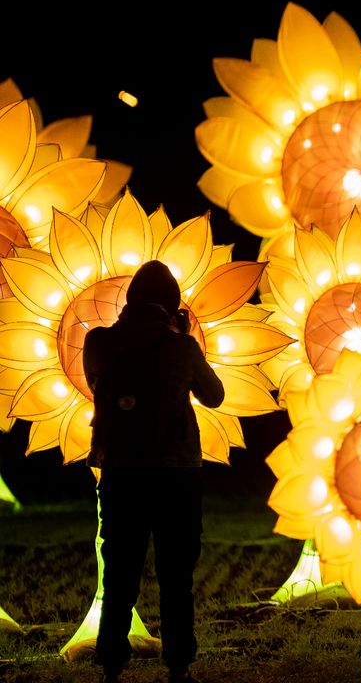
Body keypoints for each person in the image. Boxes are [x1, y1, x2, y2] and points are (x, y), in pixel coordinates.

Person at [85, 260, 225, 683]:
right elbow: (215, 396)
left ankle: (111, 663)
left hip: (121, 470)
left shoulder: (99, 342)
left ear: (130, 300)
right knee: (176, 574)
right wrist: (182, 343)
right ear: (172, 304)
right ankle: (178, 666)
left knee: (121, 570)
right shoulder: (181, 347)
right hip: (176, 472)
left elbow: (95, 385)